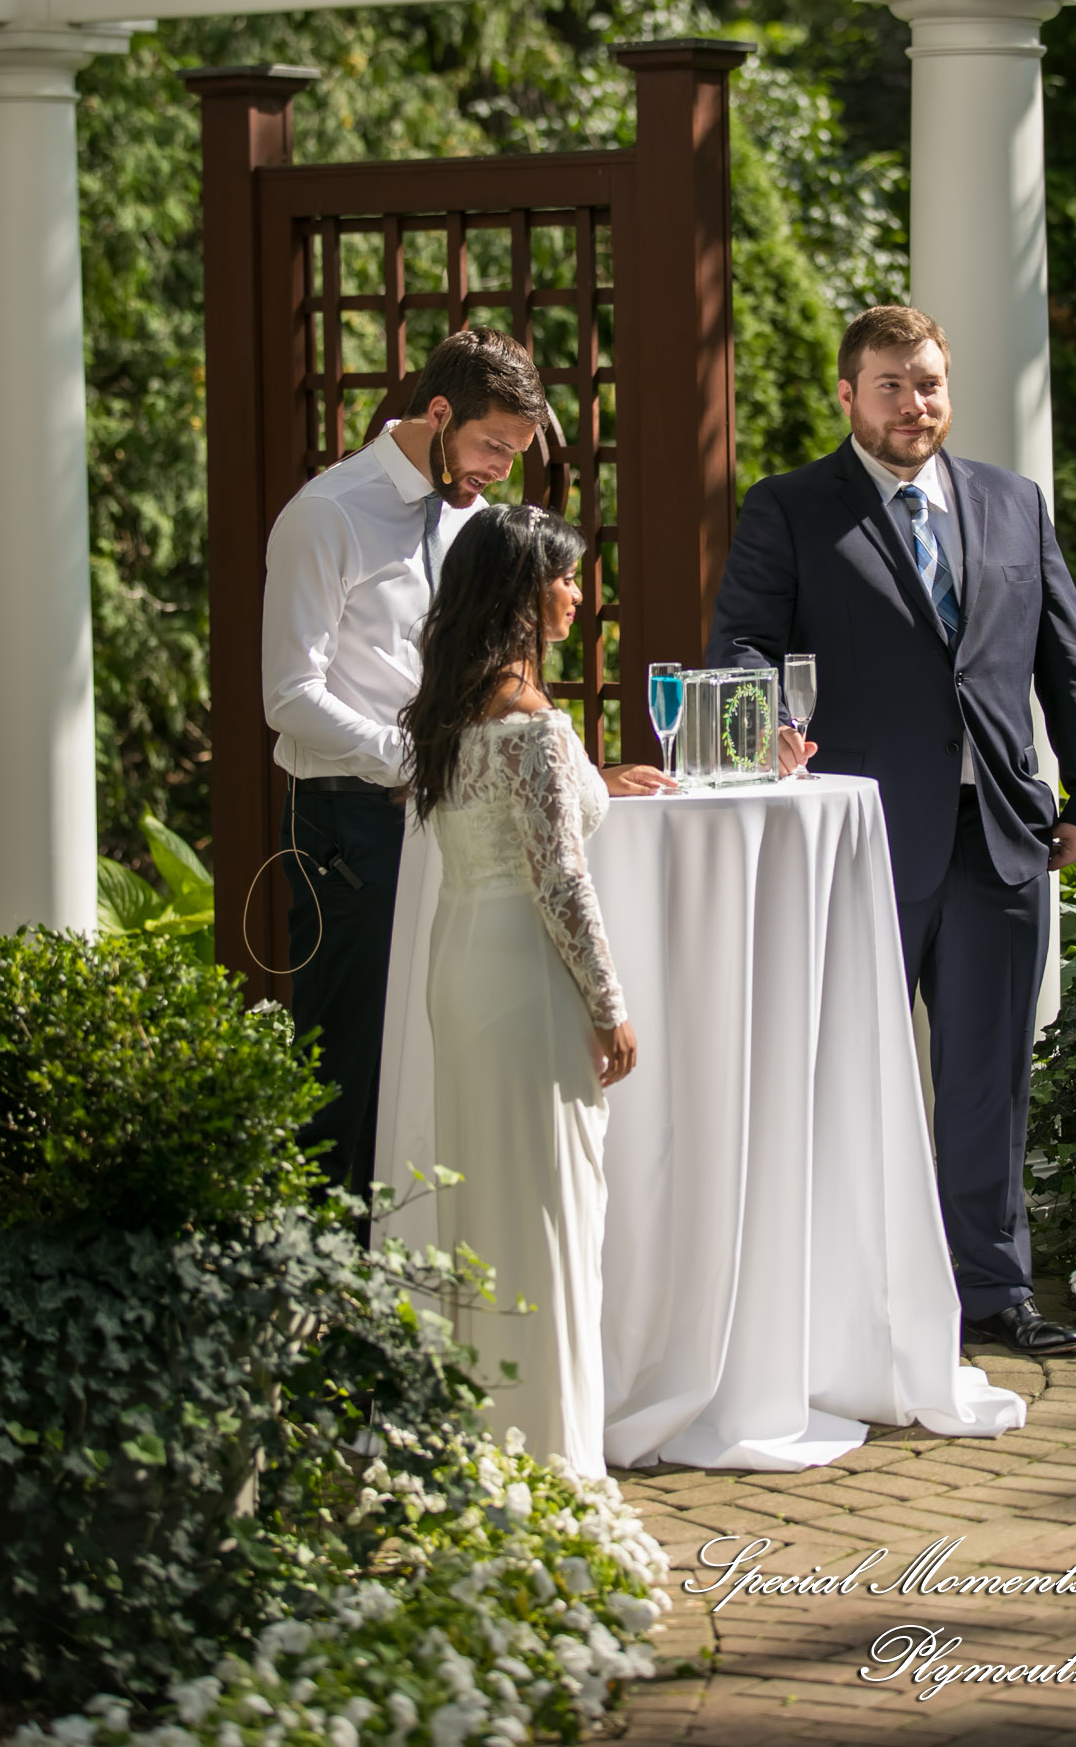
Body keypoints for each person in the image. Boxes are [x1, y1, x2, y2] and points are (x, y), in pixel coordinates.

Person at [706, 304, 1076, 1357]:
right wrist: (772, 728)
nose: (913, 403)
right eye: (890, 385)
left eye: (928, 382)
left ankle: (991, 1291)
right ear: (847, 395)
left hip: (1001, 838)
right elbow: (744, 644)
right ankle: (849, 1301)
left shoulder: (1012, 503)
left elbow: (1063, 660)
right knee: (850, 1075)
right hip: (862, 841)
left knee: (989, 1078)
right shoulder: (791, 508)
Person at [401, 505, 663, 1476]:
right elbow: (561, 880)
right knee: (551, 1212)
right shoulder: (533, 725)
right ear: (518, 594)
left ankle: (494, 1449)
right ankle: (557, 1463)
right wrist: (611, 1005)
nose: (577, 594)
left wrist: (602, 776)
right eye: (562, 578)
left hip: (461, 968)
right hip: (527, 977)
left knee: (486, 1212)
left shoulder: (452, 707)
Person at [262, 328, 549, 1208]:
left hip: (453, 822)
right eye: (493, 444)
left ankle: (407, 1275)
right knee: (344, 1059)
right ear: (437, 412)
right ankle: (318, 1279)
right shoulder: (328, 512)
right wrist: (412, 759)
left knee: (433, 1047)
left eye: (517, 451)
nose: (502, 467)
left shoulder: (469, 517)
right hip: (351, 823)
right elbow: (287, 693)